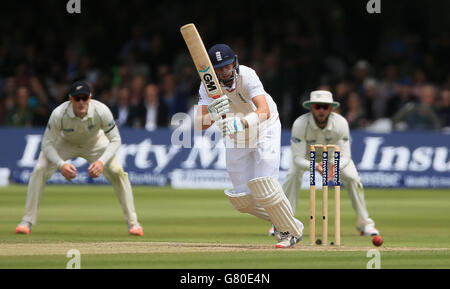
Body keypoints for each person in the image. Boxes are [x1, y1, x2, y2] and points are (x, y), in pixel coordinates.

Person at [196, 44, 303, 248]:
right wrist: (214, 114)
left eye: (228, 66)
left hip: (264, 127)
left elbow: (264, 111)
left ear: (234, 63)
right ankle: (291, 224)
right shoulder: (206, 85)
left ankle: (287, 233)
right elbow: (200, 123)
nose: (225, 72)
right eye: (219, 68)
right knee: (242, 199)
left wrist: (241, 122)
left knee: (266, 185)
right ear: (212, 70)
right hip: (237, 137)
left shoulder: (247, 74)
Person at [15, 81, 144, 236]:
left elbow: (116, 140)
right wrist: (61, 164)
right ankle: (26, 222)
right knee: (39, 169)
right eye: (77, 99)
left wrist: (101, 162)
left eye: (84, 98)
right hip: (65, 142)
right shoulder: (59, 114)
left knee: (118, 171)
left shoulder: (101, 110)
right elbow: (47, 144)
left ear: (90, 98)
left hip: (95, 142)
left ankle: (133, 224)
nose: (81, 102)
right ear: (71, 100)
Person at [278, 90, 379, 237]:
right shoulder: (300, 124)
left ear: (331, 108)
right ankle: (283, 224)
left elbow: (346, 155)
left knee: (353, 178)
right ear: (311, 107)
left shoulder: (340, 123)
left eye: (325, 107)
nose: (321, 110)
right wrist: (315, 166)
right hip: (307, 157)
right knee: (292, 176)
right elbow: (297, 159)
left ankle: (365, 224)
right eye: (317, 106)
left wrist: (334, 165)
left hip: (333, 157)